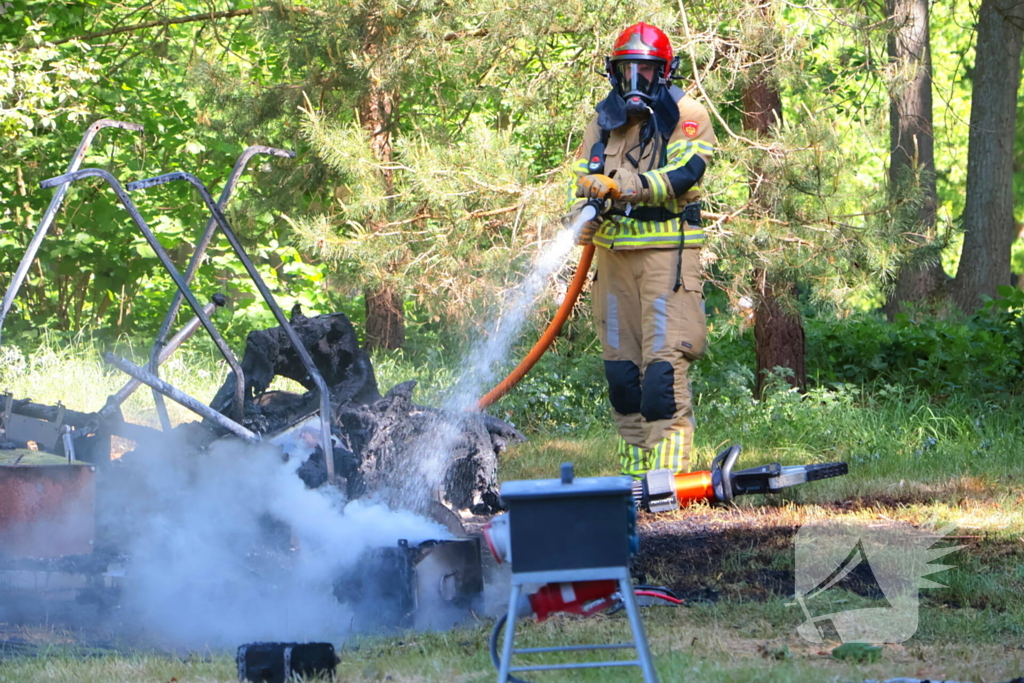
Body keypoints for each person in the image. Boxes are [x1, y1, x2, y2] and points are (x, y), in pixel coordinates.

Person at [566, 22, 716, 478]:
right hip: (612, 261)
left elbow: (686, 173)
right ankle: (635, 483)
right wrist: (582, 211)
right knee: (622, 376)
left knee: (660, 375)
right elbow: (585, 175)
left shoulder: (686, 113)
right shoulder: (603, 118)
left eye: (645, 71)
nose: (636, 81)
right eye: (627, 70)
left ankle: (667, 478)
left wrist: (624, 186)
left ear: (664, 72)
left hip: (666, 258)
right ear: (614, 72)